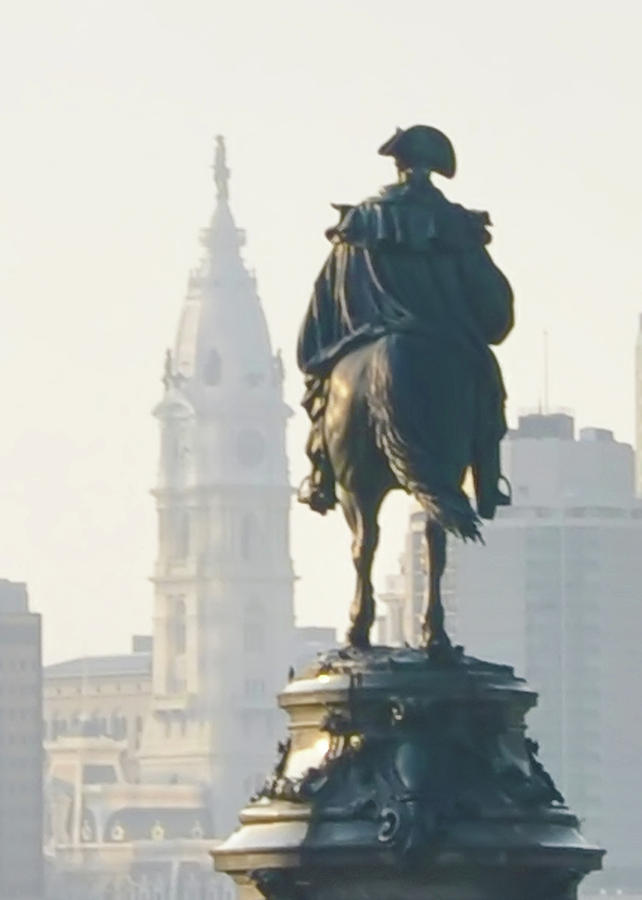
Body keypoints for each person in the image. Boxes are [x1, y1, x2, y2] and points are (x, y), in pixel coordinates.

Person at [297, 125, 513, 522]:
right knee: (488, 390)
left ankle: (320, 476)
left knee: (326, 388)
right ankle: (488, 481)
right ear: (435, 169)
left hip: (364, 337)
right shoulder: (456, 226)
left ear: (398, 166)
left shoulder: (358, 223)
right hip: (444, 340)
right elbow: (494, 308)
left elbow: (324, 301)